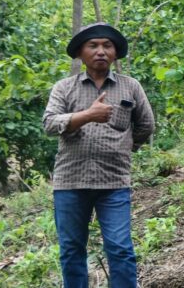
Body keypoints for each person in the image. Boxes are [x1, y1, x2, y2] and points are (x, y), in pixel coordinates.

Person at [43, 22, 155, 288]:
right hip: (70, 183)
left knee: (120, 249)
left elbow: (146, 125)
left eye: (107, 45)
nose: (101, 51)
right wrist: (86, 116)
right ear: (81, 53)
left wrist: (127, 147)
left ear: (115, 53)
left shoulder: (131, 87)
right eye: (93, 45)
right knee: (71, 251)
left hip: (114, 183)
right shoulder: (64, 88)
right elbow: (49, 123)